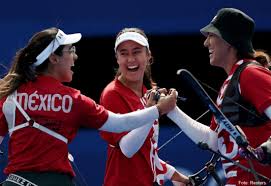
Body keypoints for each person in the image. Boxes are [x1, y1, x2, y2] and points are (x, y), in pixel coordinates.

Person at [0, 27, 177, 186]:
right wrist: (158, 110)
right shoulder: (74, 99)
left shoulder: (10, 95)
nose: (75, 56)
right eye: (71, 51)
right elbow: (119, 123)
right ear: (54, 58)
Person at [167, 8, 271, 185]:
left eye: (211, 36)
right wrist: (172, 111)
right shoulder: (230, 83)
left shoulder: (251, 74)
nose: (206, 43)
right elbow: (212, 141)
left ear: (229, 40)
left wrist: (267, 148)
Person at [99, 28, 190, 186]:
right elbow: (128, 149)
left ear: (148, 56)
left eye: (136, 52)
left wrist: (177, 176)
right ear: (117, 58)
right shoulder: (112, 94)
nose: (130, 59)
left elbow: (146, 154)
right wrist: (156, 110)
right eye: (124, 53)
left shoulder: (146, 94)